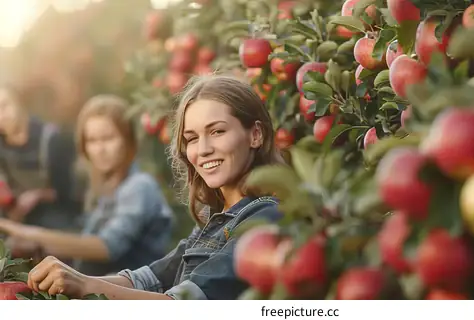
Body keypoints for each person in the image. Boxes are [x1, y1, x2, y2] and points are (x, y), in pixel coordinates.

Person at [17, 75, 284, 300]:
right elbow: (150, 278)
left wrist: (86, 285)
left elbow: (186, 304)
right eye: (191, 138)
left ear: (255, 135)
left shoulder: (264, 217)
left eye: (217, 132)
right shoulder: (211, 218)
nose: (202, 149)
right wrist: (75, 280)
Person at [0, 94, 175, 276]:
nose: (99, 149)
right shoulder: (103, 189)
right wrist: (36, 245)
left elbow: (106, 247)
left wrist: (26, 233)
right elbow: (83, 239)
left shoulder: (140, 186)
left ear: (128, 139)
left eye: (108, 138)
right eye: (92, 140)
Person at [0, 83, 81, 232]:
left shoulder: (53, 139)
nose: (1, 116)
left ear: (20, 103)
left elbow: (70, 191)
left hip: (56, 217)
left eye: (4, 106)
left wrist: (37, 195)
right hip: (17, 217)